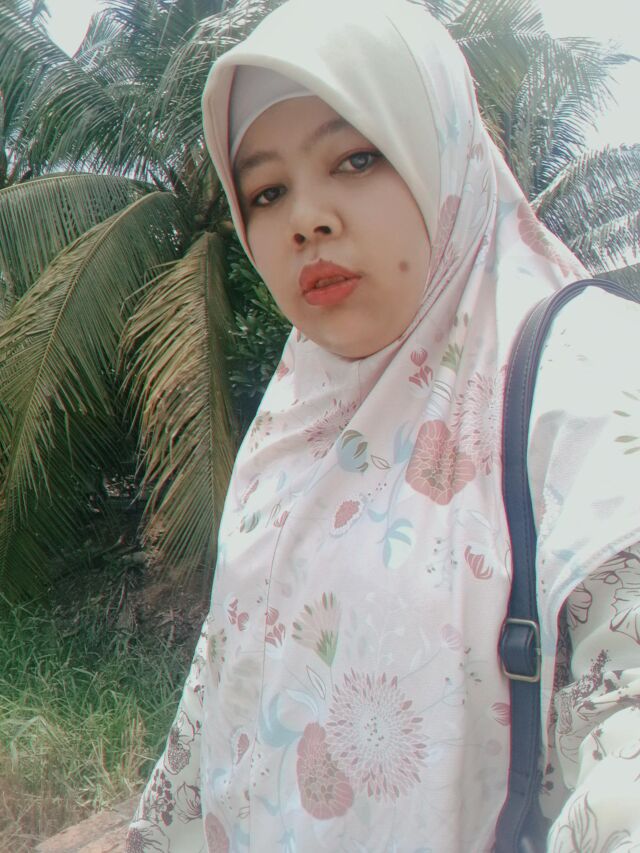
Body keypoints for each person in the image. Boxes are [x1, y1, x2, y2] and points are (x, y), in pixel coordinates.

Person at [126, 0, 640, 850]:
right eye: (267, 191)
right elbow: (221, 719)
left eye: (356, 158)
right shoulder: (292, 424)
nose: (306, 218)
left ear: (440, 149)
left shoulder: (589, 380)